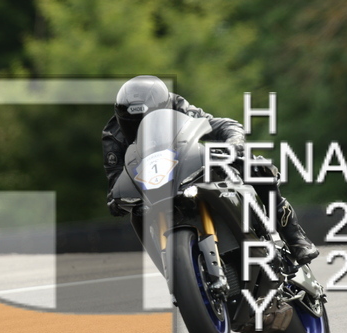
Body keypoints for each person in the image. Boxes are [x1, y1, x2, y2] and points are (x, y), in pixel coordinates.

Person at [102, 75, 319, 264]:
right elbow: (116, 179)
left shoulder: (176, 106)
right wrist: (116, 199)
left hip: (186, 165)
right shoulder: (113, 136)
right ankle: (168, 265)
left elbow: (219, 124)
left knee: (252, 163)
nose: (143, 128)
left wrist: (234, 141)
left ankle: (293, 235)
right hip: (154, 186)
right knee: (136, 212)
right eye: (133, 123)